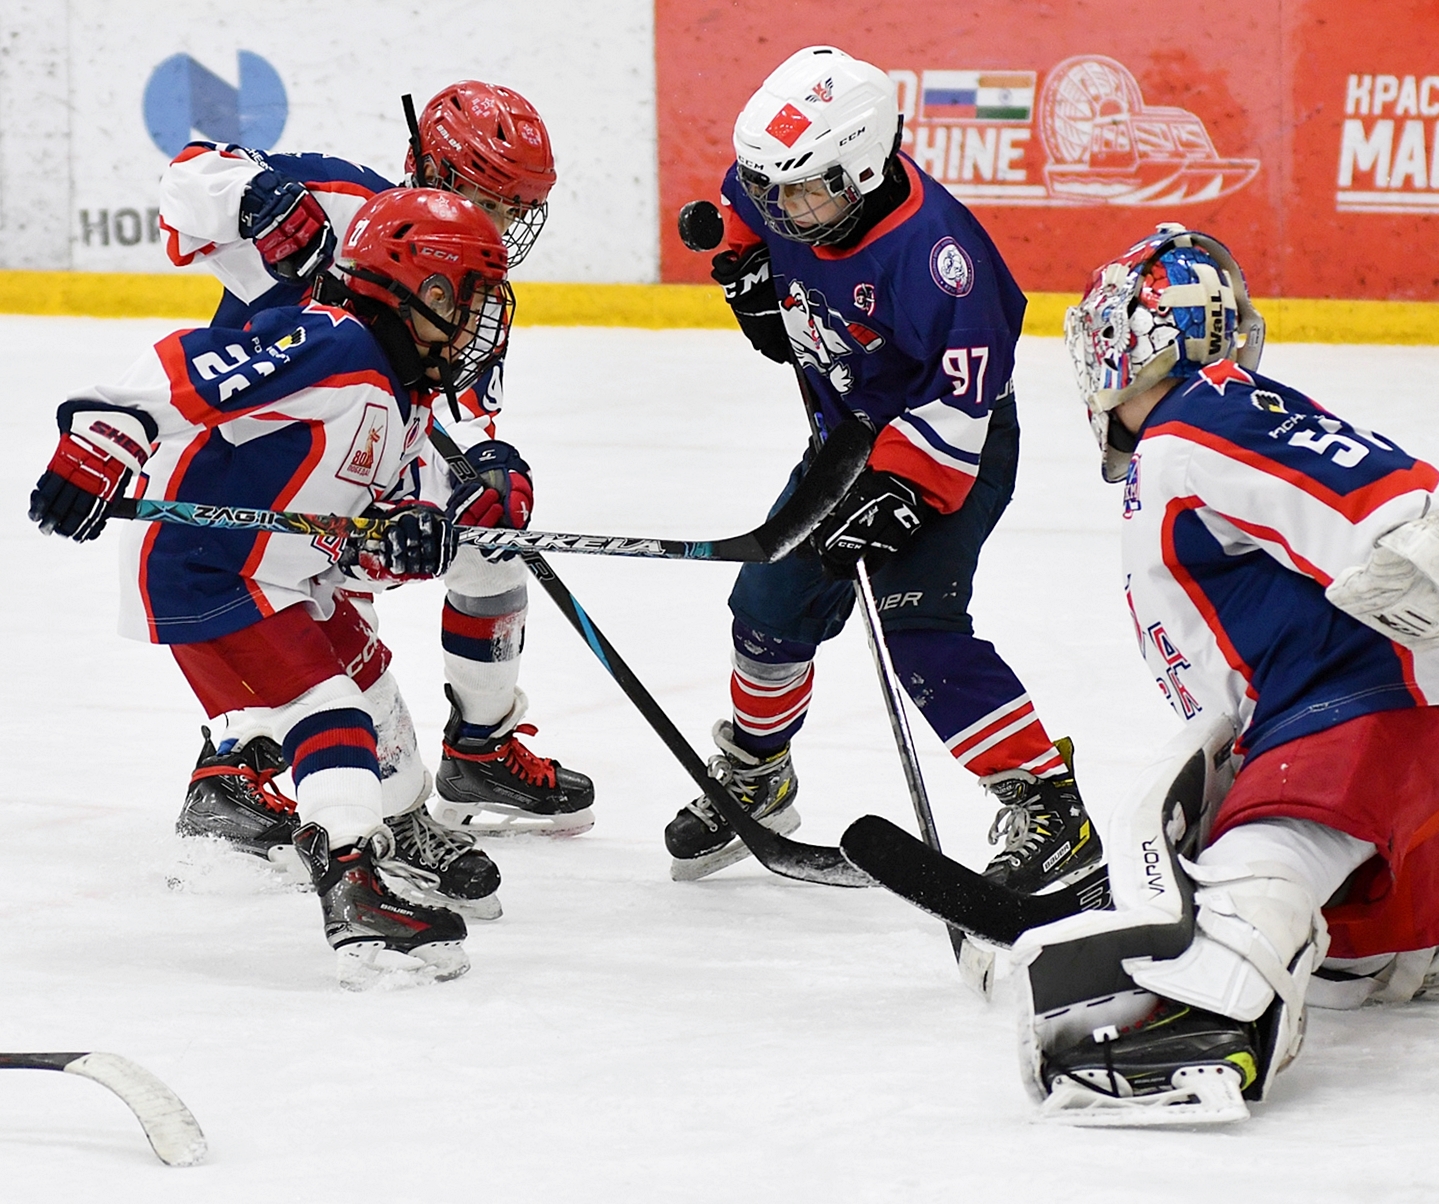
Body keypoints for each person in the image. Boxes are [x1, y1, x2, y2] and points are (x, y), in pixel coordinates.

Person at [1008, 223, 1439, 1124]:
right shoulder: (1183, 440)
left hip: (1371, 705)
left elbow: (1355, 482)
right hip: (1387, 710)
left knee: (1263, 863)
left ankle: (1212, 1013)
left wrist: (1419, 534)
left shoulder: (1199, 417)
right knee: (1353, 951)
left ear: (1146, 332)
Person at [28, 188, 520, 988]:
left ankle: (386, 841)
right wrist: (105, 441)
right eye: (467, 303)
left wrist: (411, 531)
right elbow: (181, 364)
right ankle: (355, 892)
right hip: (204, 564)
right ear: (422, 291)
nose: (477, 327)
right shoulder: (334, 346)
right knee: (325, 709)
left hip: (284, 573)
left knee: (368, 684)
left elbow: (360, 538)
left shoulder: (406, 398)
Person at [667, 45, 1102, 890]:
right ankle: (760, 775)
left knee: (919, 632)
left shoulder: (945, 264)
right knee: (768, 604)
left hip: (947, 443)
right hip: (847, 436)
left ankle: (1049, 804)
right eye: (774, 189)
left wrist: (902, 490)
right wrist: (740, 259)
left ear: (863, 168)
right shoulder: (791, 177)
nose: (785, 208)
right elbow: (745, 206)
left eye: (804, 191)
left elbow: (965, 405)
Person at [157, 80, 594, 851]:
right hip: (258, 464)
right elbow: (191, 177)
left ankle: (480, 751)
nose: (511, 224)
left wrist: (495, 469)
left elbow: (469, 415)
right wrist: (260, 198)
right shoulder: (339, 199)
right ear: (440, 173)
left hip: (364, 462)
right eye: (498, 201)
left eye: (521, 209)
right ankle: (234, 768)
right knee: (303, 619)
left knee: (488, 552)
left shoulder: (467, 273)